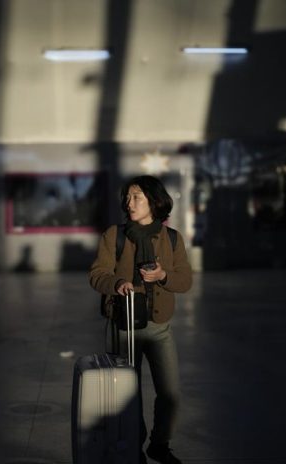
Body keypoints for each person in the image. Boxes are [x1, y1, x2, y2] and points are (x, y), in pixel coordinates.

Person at [89, 175, 192, 464]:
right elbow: (97, 274)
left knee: (170, 394)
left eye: (136, 197)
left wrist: (163, 276)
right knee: (126, 395)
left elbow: (185, 281)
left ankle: (159, 444)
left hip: (159, 327)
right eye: (127, 197)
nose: (128, 202)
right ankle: (132, 448)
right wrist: (118, 283)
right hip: (123, 325)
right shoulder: (115, 235)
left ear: (154, 202)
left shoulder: (171, 238)